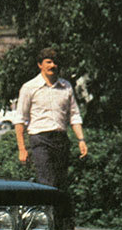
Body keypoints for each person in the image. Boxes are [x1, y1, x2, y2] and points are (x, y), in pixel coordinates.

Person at [15, 47, 88, 191]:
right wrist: (22, 149)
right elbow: (20, 119)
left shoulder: (66, 86)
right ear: (40, 65)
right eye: (48, 62)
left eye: (55, 62)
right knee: (47, 182)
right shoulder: (29, 87)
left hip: (60, 139)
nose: (52, 65)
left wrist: (81, 140)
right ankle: (47, 206)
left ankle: (58, 207)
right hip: (40, 139)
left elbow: (74, 115)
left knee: (61, 183)